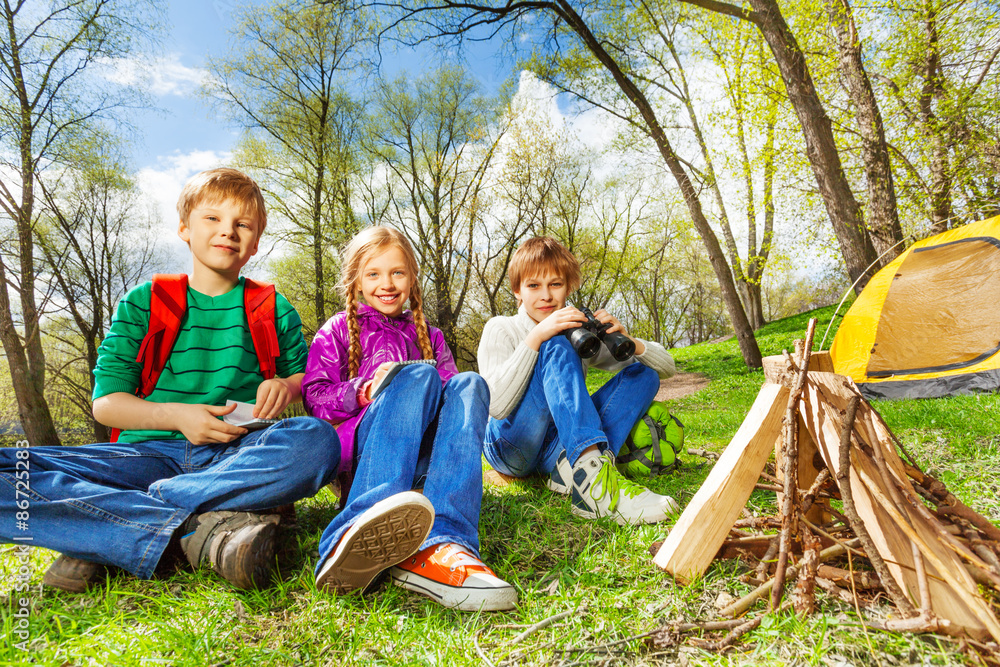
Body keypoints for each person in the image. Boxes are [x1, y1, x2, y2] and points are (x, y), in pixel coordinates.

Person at [0, 168, 340, 591]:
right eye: (212, 219)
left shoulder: (273, 307)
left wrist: (286, 386)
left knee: (317, 441)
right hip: (145, 456)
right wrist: (176, 415)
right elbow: (106, 405)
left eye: (243, 225)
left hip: (237, 455)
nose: (227, 232)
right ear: (184, 227)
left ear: (255, 242)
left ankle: (121, 524)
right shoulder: (143, 302)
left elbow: (304, 380)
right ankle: (197, 531)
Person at [302, 226, 516, 612]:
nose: (387, 283)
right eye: (374, 274)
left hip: (424, 454)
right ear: (356, 281)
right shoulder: (336, 330)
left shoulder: (429, 335)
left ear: (412, 279)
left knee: (470, 383)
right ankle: (359, 523)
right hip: (368, 455)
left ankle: (446, 537)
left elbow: (455, 404)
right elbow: (315, 397)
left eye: (397, 273)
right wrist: (363, 390)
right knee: (417, 374)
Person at [477, 236, 679, 525]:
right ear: (517, 292)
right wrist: (538, 337)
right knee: (555, 345)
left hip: (557, 449)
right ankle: (592, 485)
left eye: (555, 284)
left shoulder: (575, 332)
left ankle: (575, 469)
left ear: (568, 288)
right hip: (509, 446)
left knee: (642, 374)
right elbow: (496, 406)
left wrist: (629, 341)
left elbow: (666, 368)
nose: (545, 295)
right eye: (533, 286)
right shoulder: (501, 327)